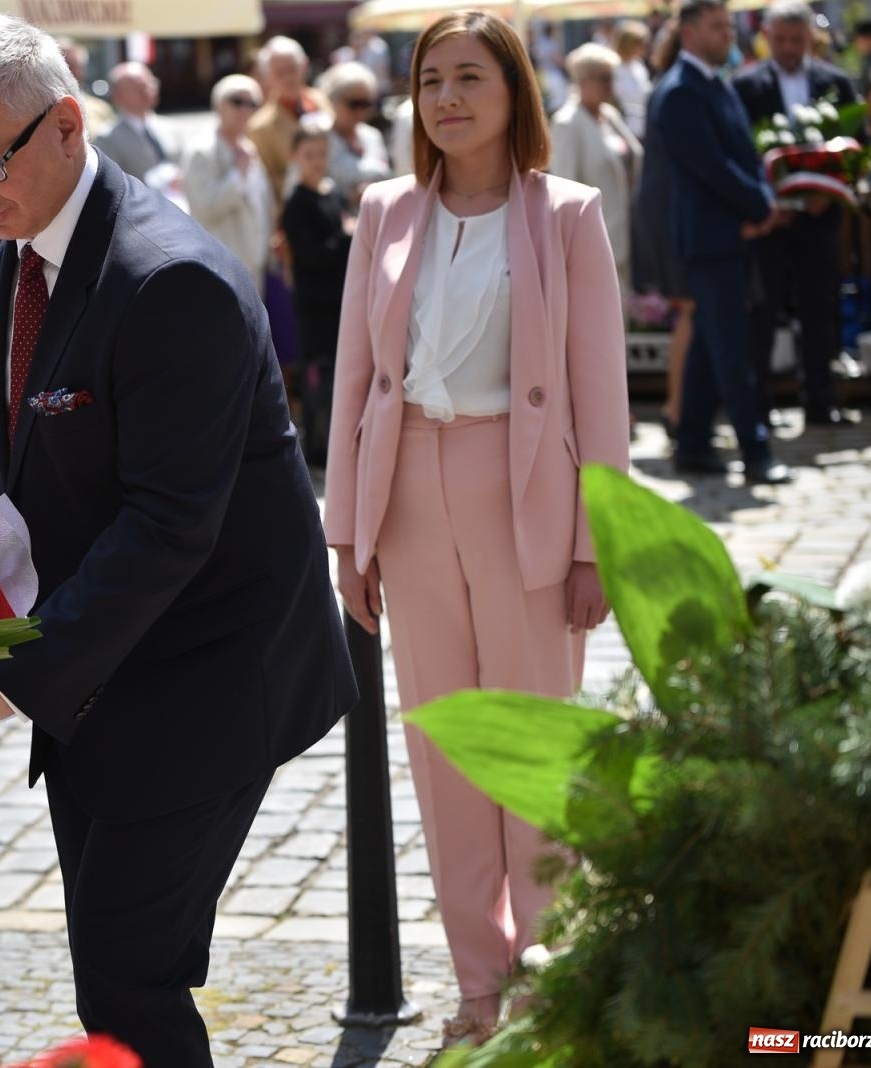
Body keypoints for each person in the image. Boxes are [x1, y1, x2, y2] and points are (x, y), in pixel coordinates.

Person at [0, 14, 355, 1065]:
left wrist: (0, 685)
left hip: (208, 669)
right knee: (112, 965)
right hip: (94, 664)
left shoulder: (167, 279)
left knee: (129, 970)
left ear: (66, 123)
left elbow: (167, 527)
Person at [324, 11, 630, 1045]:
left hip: (525, 497)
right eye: (429, 80)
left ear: (513, 93)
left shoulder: (567, 215)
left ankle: (552, 984)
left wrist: (598, 546)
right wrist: (343, 536)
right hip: (405, 497)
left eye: (469, 78)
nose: (445, 98)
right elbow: (352, 385)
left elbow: (602, 393)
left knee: (537, 756)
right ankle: (479, 992)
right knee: (444, 757)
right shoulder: (381, 211)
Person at [654, 0, 790, 483]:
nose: (728, 34)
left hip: (733, 232)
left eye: (729, 25)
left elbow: (745, 154)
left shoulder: (716, 84)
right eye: (718, 27)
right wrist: (759, 205)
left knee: (710, 349)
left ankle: (691, 441)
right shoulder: (679, 91)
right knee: (732, 348)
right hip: (711, 239)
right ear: (689, 32)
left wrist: (763, 198)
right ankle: (755, 452)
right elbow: (709, 167)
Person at [734, 0, 857, 429]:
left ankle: (820, 401)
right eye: (781, 40)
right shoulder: (746, 86)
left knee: (820, 308)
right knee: (763, 312)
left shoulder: (836, 83)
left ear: (810, 39)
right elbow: (741, 151)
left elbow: (853, 145)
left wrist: (829, 190)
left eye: (796, 40)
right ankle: (760, 406)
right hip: (770, 221)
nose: (788, 47)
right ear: (767, 38)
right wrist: (768, 201)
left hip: (819, 220)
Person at [633, 18, 696, 436]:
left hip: (669, 220)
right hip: (675, 223)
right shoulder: (674, 92)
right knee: (688, 313)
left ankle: (682, 407)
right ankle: (677, 407)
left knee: (688, 315)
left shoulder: (664, 88)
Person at [280, 122, 352, 465]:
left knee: (340, 370)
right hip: (314, 303)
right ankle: (317, 449)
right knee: (316, 374)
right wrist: (348, 236)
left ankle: (337, 441)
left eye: (322, 153)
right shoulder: (297, 203)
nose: (317, 161)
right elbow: (312, 254)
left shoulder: (333, 193)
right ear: (295, 156)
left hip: (340, 298)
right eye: (309, 154)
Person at [549, 43, 641, 297]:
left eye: (613, 77)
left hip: (623, 235)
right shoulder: (567, 123)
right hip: (592, 244)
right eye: (604, 79)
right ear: (582, 81)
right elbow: (563, 189)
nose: (611, 85)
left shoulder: (609, 115)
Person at [181, 74, 274, 292]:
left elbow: (264, 202)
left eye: (252, 103)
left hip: (254, 264)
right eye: (237, 101)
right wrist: (237, 176)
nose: (245, 109)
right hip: (221, 267)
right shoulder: (201, 151)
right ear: (219, 105)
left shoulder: (248, 147)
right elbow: (205, 209)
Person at [249, 36, 334, 211]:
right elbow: (268, 182)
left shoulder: (320, 100)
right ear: (267, 78)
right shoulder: (260, 127)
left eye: (292, 69)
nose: (288, 77)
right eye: (279, 73)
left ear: (304, 66)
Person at [316, 61, 390, 206]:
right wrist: (346, 199)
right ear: (333, 100)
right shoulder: (317, 136)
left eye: (366, 104)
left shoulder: (372, 136)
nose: (361, 111)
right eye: (354, 104)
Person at [92, 62, 180, 185]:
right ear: (118, 96)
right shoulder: (107, 138)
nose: (146, 90)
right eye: (137, 87)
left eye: (150, 83)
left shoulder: (170, 127)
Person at [612, 20, 654, 138]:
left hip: (643, 127)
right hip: (624, 131)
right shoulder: (614, 67)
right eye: (641, 44)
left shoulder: (638, 65)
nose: (645, 48)